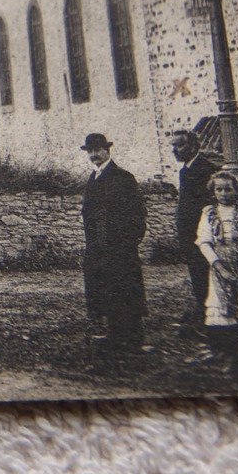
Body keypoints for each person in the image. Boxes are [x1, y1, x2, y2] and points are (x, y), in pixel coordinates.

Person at [80, 133, 148, 354]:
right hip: (99, 247)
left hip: (120, 246)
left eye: (97, 150)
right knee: (106, 289)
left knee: (125, 289)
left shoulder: (122, 177)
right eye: (90, 151)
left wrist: (129, 240)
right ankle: (115, 333)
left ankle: (133, 337)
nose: (94, 155)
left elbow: (137, 212)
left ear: (108, 150)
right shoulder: (93, 178)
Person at [196, 170, 238, 376]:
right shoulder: (208, 212)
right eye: (219, 189)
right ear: (213, 192)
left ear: (237, 190)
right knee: (222, 311)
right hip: (219, 267)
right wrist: (219, 266)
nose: (224, 193)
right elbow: (203, 242)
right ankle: (229, 357)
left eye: (228, 189)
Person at [170, 129, 219, 337]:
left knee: (206, 273)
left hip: (203, 234)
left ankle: (210, 316)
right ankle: (201, 308)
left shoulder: (207, 169)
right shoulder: (185, 171)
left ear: (193, 146)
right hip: (189, 234)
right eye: (173, 146)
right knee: (196, 273)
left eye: (179, 145)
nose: (175, 150)